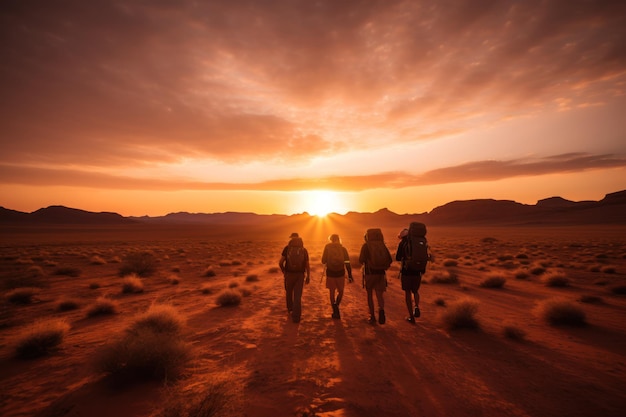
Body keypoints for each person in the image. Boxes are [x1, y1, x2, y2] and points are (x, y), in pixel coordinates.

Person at [395, 226, 429, 324]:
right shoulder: (419, 242)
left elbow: (397, 257)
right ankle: (416, 306)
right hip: (418, 271)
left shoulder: (402, 243)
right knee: (415, 291)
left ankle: (411, 317)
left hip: (406, 272)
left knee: (407, 293)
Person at [359, 229, 392, 324]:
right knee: (379, 295)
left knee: (369, 294)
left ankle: (372, 316)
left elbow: (361, 260)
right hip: (381, 273)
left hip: (370, 273)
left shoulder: (366, 246)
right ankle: (381, 310)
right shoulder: (383, 245)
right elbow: (389, 260)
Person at [279, 232, 310, 323]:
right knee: (297, 296)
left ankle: (290, 309)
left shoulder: (287, 249)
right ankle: (296, 317)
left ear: (291, 239)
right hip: (300, 275)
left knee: (288, 292)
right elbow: (307, 265)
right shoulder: (304, 250)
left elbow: (280, 263)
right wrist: (308, 276)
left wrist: (284, 271)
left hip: (289, 274)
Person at [321, 234, 354, 319]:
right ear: (339, 239)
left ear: (331, 240)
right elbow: (347, 262)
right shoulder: (343, 249)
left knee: (332, 292)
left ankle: (334, 309)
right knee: (341, 291)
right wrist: (350, 274)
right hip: (340, 273)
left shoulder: (327, 248)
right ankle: (337, 305)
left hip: (330, 273)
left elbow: (323, 261)